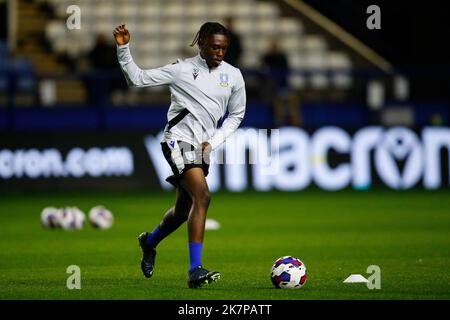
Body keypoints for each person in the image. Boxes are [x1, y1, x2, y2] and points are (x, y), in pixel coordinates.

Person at [113, 22, 246, 288]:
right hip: (177, 141)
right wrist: (124, 48)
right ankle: (195, 270)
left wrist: (214, 141)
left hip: (202, 148)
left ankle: (149, 242)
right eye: (215, 47)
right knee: (203, 196)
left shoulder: (234, 75)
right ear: (201, 43)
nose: (220, 52)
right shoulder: (181, 69)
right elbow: (136, 79)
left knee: (182, 211)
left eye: (224, 48)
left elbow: (236, 115)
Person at [262, 40, 301, 127]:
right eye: (273, 46)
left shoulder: (282, 57)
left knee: (292, 98)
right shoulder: (266, 57)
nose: (274, 48)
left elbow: (286, 71)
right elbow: (263, 70)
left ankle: (296, 121)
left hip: (283, 84)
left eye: (275, 46)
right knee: (277, 99)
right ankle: (279, 122)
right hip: (271, 86)